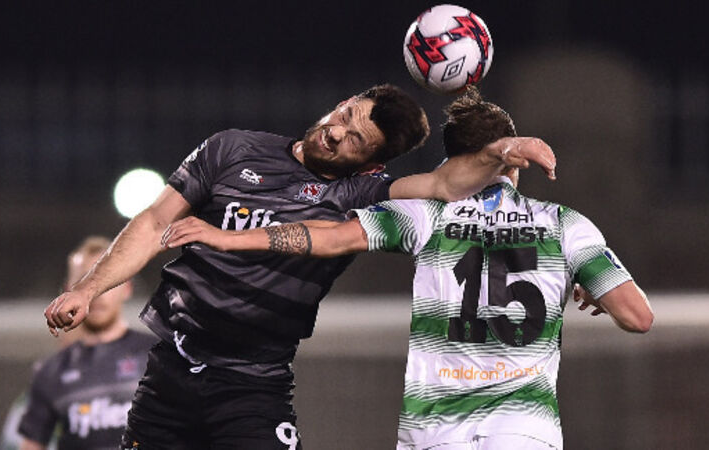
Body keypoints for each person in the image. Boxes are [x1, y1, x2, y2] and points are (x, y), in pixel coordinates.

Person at [44, 84, 556, 449]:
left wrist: (503, 150)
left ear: (371, 165)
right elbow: (154, 221)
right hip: (170, 374)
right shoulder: (231, 149)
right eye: (345, 115)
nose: (336, 132)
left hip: (251, 386)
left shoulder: (358, 195)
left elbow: (445, 184)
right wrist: (87, 289)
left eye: (355, 139)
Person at [162, 86, 654, 450]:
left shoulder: (424, 215)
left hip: (435, 430)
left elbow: (327, 237)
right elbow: (638, 317)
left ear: (455, 162)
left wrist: (227, 236)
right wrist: (586, 283)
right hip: (524, 430)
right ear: (513, 166)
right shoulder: (564, 226)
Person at [16, 236, 156, 450]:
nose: (97, 294)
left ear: (126, 288)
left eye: (106, 282)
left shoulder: (158, 356)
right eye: (84, 282)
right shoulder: (50, 371)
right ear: (68, 292)